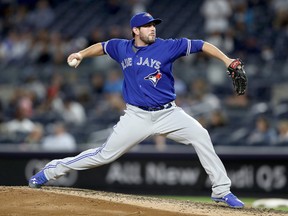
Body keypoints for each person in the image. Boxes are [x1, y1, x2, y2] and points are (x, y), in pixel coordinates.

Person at [28, 12, 244, 208]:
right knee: (104, 155)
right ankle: (51, 170)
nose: (152, 28)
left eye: (153, 25)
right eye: (147, 26)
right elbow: (102, 46)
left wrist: (227, 60)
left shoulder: (167, 46)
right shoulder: (121, 47)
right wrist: (81, 54)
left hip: (169, 113)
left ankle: (221, 191)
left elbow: (201, 44)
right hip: (137, 116)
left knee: (201, 136)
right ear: (135, 30)